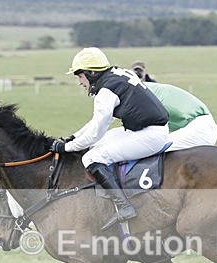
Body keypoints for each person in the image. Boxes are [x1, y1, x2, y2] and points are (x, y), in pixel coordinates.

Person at [50, 47, 169, 230]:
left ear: (91, 73)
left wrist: (66, 148)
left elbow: (96, 131)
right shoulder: (117, 73)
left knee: (91, 158)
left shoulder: (106, 91)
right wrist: (72, 138)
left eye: (80, 76)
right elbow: (95, 126)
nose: (80, 82)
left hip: (149, 135)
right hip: (144, 129)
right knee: (97, 145)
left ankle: (124, 206)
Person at [141, 82, 217, 151]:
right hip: (200, 123)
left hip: (197, 127)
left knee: (150, 151)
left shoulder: (138, 95)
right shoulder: (142, 88)